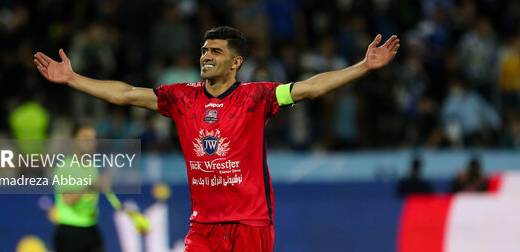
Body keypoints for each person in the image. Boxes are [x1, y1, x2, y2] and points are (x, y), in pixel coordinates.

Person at [34, 26, 400, 252]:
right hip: (203, 227)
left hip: (250, 225)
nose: (205, 56)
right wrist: (74, 79)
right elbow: (127, 94)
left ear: (236, 62)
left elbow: (310, 88)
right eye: (204, 50)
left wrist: (363, 67)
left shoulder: (259, 97)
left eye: (215, 51)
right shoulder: (181, 97)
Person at [52, 123, 110, 252]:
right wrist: (92, 185)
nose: (91, 142)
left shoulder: (92, 166)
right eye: (85, 137)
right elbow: (68, 199)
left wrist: (101, 186)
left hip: (91, 228)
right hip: (70, 232)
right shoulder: (65, 167)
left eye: (93, 138)